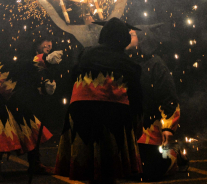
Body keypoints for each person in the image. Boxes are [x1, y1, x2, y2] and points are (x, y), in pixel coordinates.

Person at [0, 35, 63, 182]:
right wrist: (44, 60)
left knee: (29, 122)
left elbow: (27, 83)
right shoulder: (23, 51)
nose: (49, 45)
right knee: (1, 126)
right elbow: (20, 65)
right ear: (36, 42)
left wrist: (43, 87)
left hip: (6, 92)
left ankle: (35, 164)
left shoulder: (39, 59)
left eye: (51, 42)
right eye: (45, 42)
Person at [55, 17, 143, 184]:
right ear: (123, 38)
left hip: (80, 115)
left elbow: (72, 81)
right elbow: (137, 100)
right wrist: (136, 127)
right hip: (112, 118)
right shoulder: (130, 65)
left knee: (88, 168)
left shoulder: (85, 53)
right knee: (108, 170)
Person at [126, 29, 188, 182]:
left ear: (142, 39)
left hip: (148, 131)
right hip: (127, 131)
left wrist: (168, 128)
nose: (127, 36)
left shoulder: (155, 65)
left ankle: (173, 154)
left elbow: (169, 99)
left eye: (132, 34)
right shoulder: (125, 61)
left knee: (148, 172)